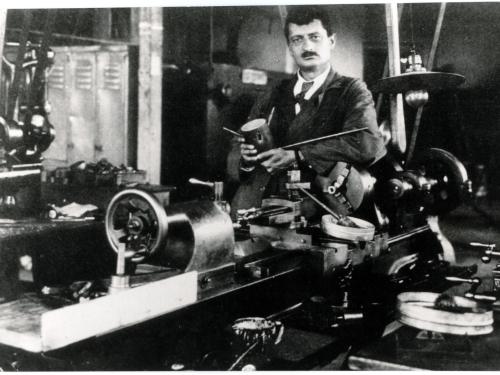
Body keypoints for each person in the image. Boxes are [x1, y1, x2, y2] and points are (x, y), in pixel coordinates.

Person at [227, 5, 387, 216]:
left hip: (319, 210)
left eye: (315, 37)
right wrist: (245, 160)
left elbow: (367, 143)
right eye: (297, 39)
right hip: (261, 207)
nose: (307, 46)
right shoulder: (272, 92)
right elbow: (236, 152)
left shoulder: (352, 91)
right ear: (290, 47)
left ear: (331, 41)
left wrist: (299, 155)